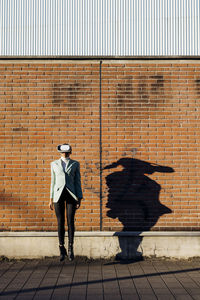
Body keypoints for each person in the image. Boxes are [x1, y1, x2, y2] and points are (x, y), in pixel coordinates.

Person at [49, 143, 83, 261]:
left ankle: (70, 248)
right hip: (58, 195)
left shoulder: (75, 164)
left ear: (70, 152)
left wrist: (79, 198)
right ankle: (61, 247)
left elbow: (77, 182)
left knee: (70, 221)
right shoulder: (54, 164)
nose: (65, 154)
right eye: (63, 152)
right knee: (60, 221)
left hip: (71, 195)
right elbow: (53, 182)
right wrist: (51, 199)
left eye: (67, 152)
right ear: (60, 152)